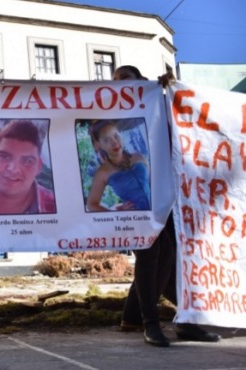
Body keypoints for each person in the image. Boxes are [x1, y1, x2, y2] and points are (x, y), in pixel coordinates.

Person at [114, 65, 220, 347]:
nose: (119, 85)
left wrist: (168, 89)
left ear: (142, 82)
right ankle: (151, 323)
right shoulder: (113, 115)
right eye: (115, 81)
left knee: (174, 255)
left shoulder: (158, 103)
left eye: (125, 78)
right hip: (137, 197)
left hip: (170, 191)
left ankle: (166, 319)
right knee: (152, 253)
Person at [0, 120, 55, 215]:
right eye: (4, 156)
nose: (14, 169)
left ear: (38, 166)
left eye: (27, 161)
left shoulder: (54, 205)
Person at [86, 118, 150, 211]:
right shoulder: (102, 172)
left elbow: (153, 184)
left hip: (157, 215)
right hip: (134, 221)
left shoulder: (139, 157)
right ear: (98, 145)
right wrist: (116, 215)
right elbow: (91, 204)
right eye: (107, 140)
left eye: (116, 136)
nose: (114, 142)